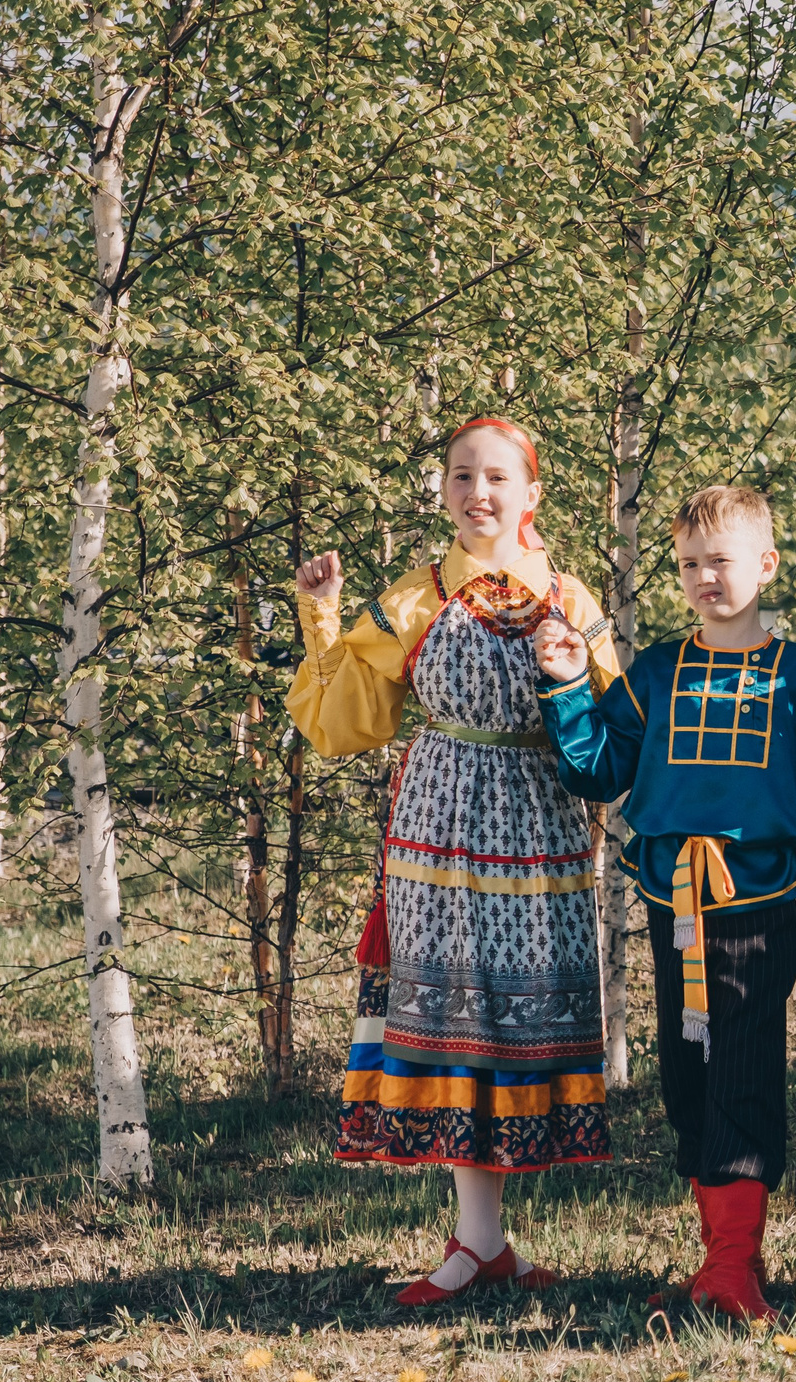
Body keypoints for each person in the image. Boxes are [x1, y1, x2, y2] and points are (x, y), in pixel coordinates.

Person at [532, 486, 796, 1319]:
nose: (704, 577)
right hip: (673, 906)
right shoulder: (659, 672)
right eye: (688, 564)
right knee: (687, 1078)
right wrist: (566, 685)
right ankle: (717, 1257)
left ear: (765, 565)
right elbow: (599, 768)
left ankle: (738, 1266)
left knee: (742, 1073)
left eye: (721, 560)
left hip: (753, 907)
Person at [288, 416, 620, 1305]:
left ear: (531, 495)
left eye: (499, 478)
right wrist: (321, 611)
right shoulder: (416, 595)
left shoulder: (573, 599)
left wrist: (571, 681)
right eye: (462, 476)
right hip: (437, 826)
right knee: (454, 1011)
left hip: (541, 826)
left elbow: (615, 728)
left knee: (511, 1019)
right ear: (443, 490)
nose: (480, 492)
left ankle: (485, 1242)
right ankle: (478, 1241)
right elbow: (342, 719)